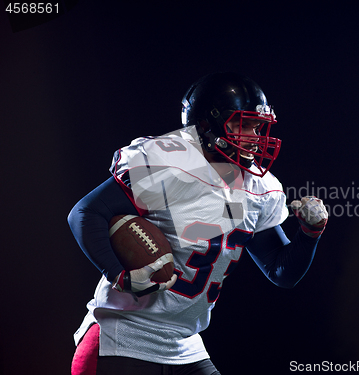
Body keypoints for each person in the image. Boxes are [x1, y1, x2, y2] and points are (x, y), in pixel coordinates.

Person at [68, 72, 328, 375]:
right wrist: (119, 275)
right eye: (242, 125)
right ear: (205, 125)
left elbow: (280, 271)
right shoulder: (168, 162)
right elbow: (85, 213)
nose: (255, 137)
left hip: (184, 343)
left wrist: (310, 234)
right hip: (123, 334)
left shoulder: (261, 188)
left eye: (258, 126)